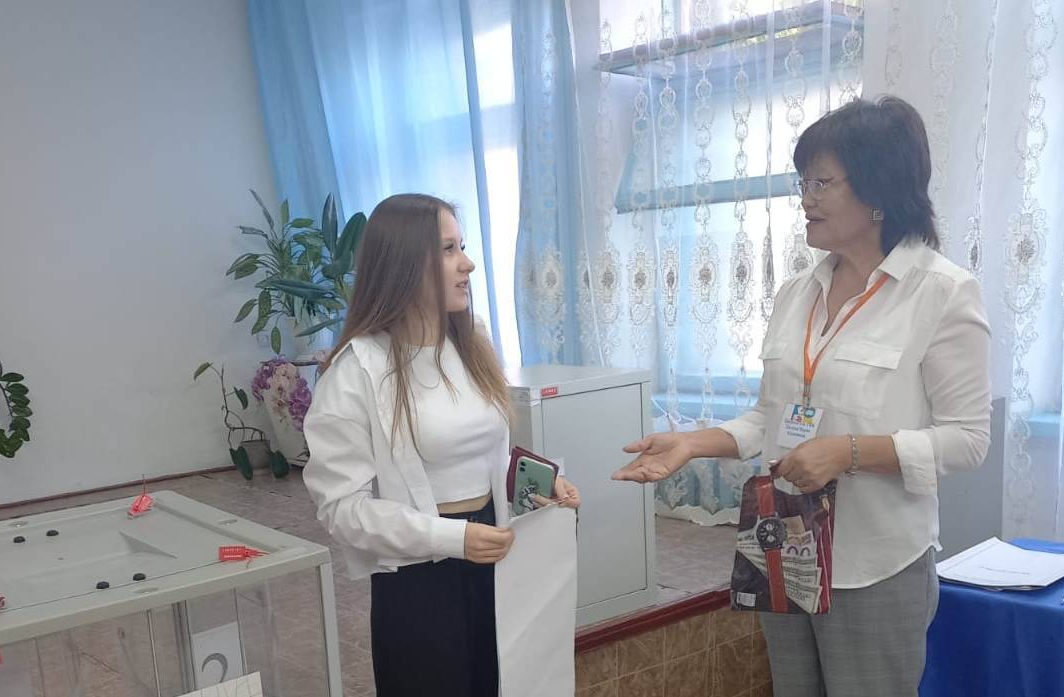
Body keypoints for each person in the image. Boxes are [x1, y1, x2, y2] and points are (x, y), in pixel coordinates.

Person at [613, 96, 991, 697]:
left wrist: (848, 452)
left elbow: (967, 439)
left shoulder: (942, 292)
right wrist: (692, 444)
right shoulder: (797, 292)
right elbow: (774, 416)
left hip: (875, 565)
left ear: (877, 192)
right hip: (785, 546)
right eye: (803, 182)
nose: (805, 199)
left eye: (822, 182)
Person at [303, 193, 580, 697]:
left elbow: (485, 451)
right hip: (420, 579)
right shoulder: (355, 371)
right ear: (404, 264)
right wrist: (452, 539)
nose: (467, 264)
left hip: (497, 554)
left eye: (463, 247)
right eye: (449, 250)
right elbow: (342, 510)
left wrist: (535, 483)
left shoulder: (472, 340)